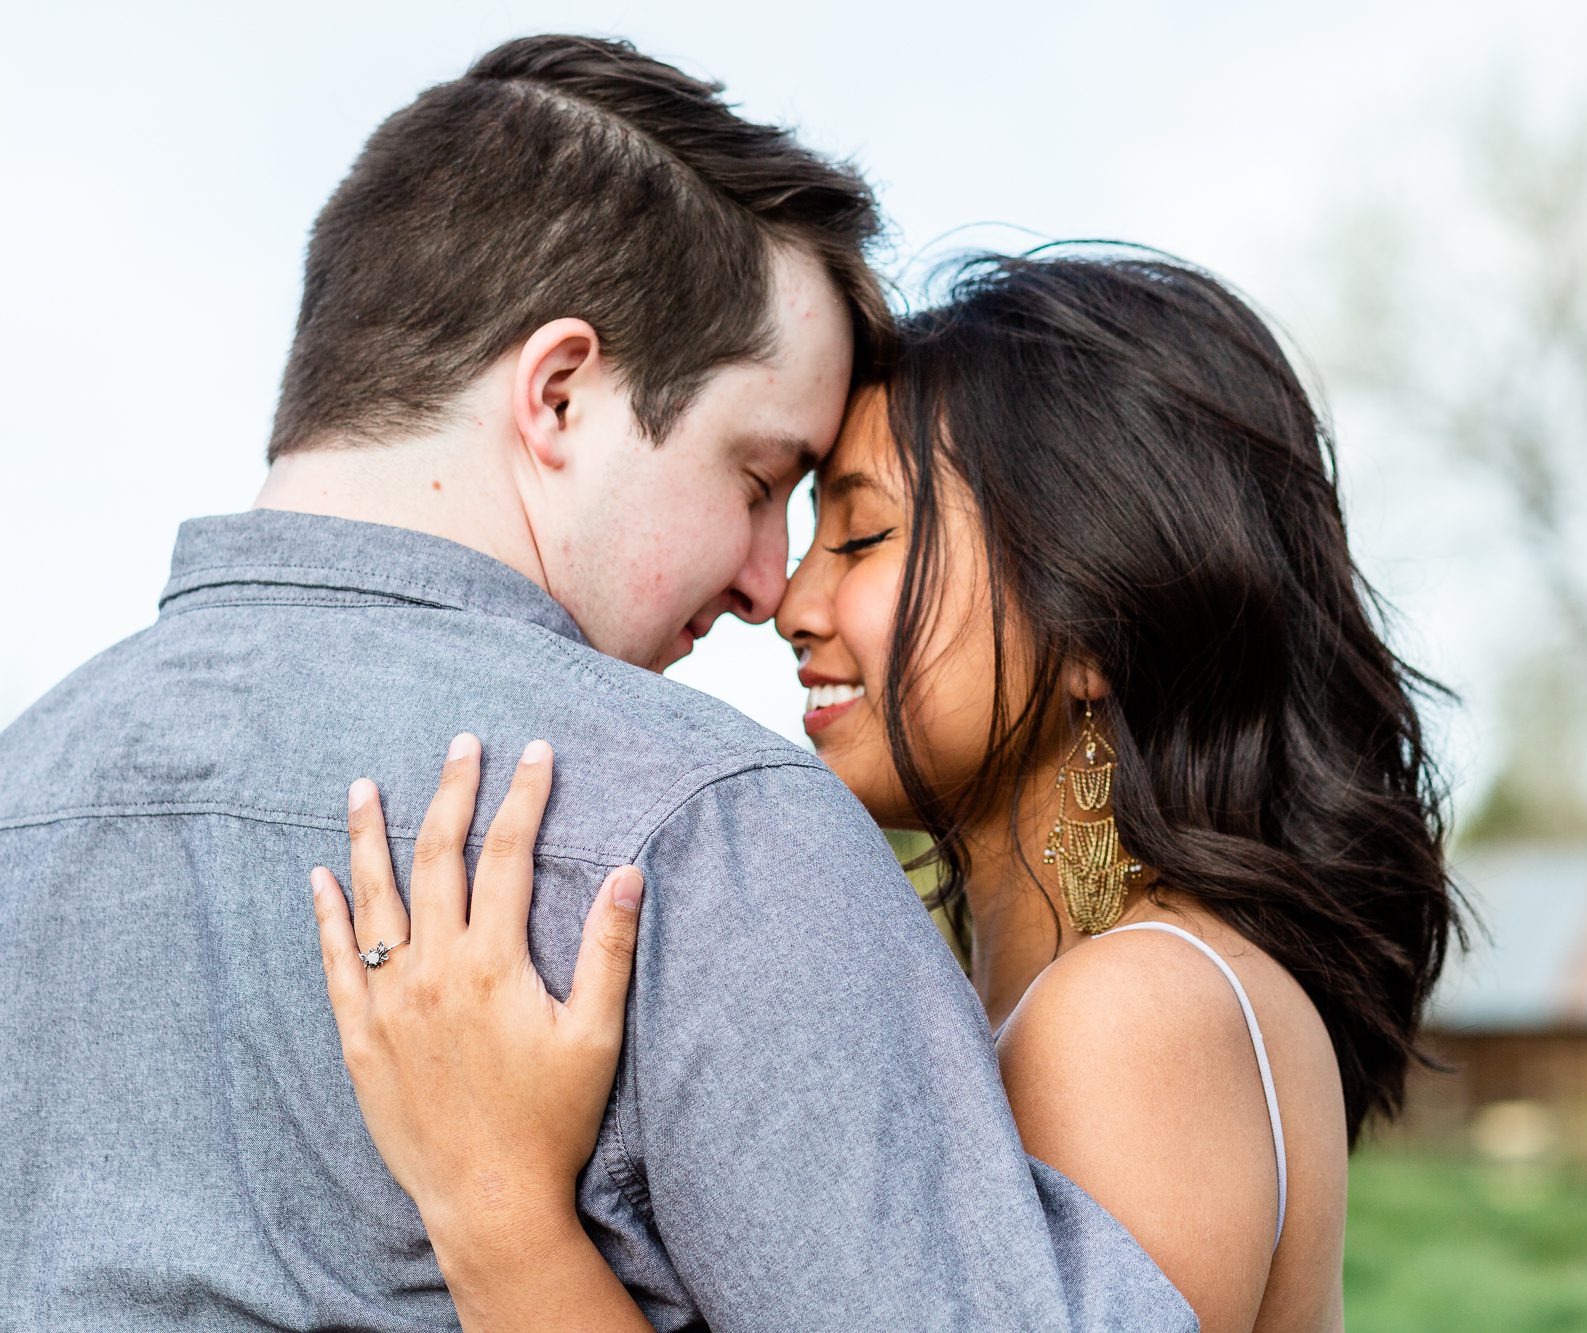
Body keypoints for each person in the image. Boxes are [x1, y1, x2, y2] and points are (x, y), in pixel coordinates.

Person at [0, 37, 1194, 1331]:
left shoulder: (23, 798)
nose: (762, 583)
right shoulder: (707, 833)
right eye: (756, 480)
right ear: (561, 392)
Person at [317, 251, 1462, 1331]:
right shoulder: (1116, 981)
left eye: (861, 537)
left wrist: (495, 1200)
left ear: (1092, 618)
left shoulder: (1127, 1009)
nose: (788, 602)